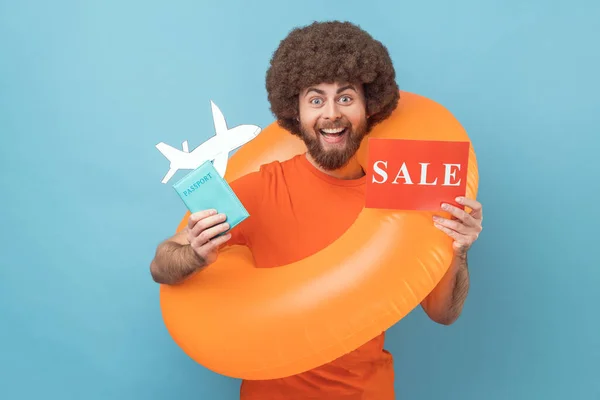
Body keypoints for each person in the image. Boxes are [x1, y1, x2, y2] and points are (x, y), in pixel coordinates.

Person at [150, 20, 484, 400]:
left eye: (345, 98)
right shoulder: (260, 188)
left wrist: (460, 250)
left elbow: (444, 314)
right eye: (315, 99)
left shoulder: (402, 193)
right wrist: (193, 252)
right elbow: (162, 266)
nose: (331, 114)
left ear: (368, 107)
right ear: (296, 111)